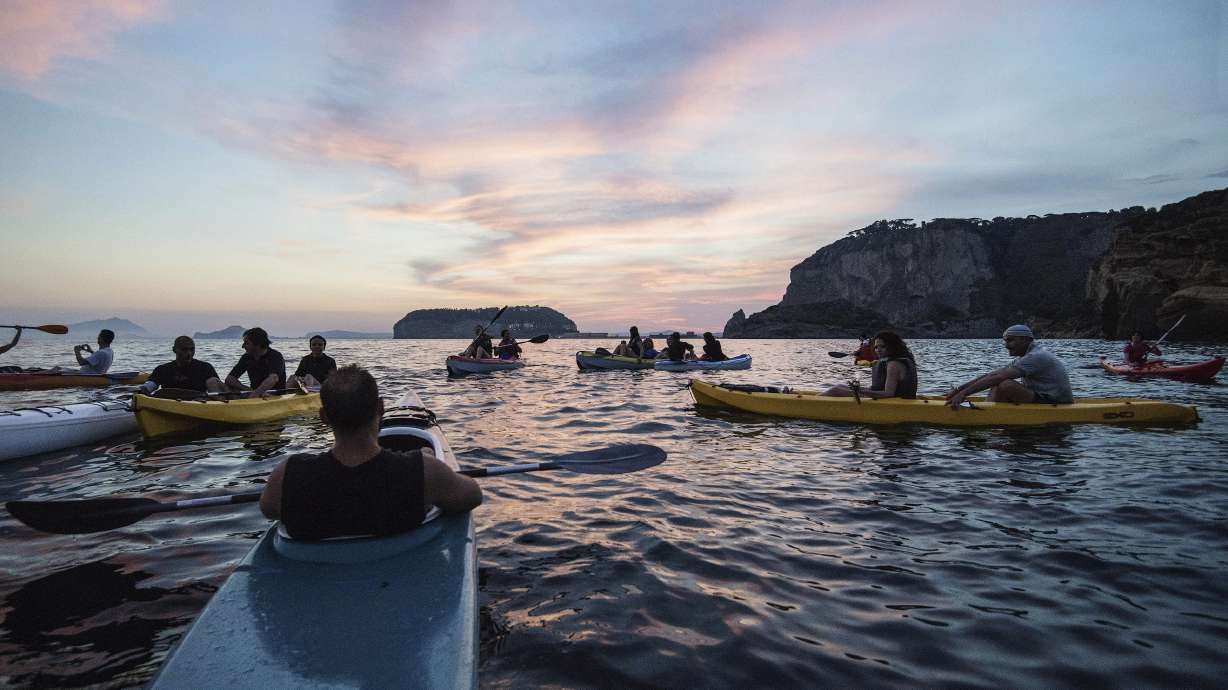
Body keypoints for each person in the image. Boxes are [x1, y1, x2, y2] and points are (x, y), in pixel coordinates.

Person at [259, 365, 483, 541]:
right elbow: (473, 495)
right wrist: (428, 461)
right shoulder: (424, 471)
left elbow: (268, 509)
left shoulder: (288, 474)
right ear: (381, 408)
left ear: (324, 417)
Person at [946, 324, 1072, 408]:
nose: (1006, 345)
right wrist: (959, 390)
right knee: (996, 381)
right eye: (1005, 341)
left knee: (1005, 384)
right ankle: (987, 408)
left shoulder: (1036, 356)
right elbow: (992, 375)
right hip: (1044, 397)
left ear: (1024, 339)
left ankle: (987, 413)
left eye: (1010, 340)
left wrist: (964, 394)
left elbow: (998, 377)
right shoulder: (1026, 357)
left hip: (1057, 402)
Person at [824, 331, 918, 399]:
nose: (878, 350)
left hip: (893, 402)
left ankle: (811, 406)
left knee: (835, 390)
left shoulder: (894, 364)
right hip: (893, 399)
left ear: (893, 346)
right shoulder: (900, 360)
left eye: (883, 346)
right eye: (876, 347)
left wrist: (859, 390)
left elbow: (888, 394)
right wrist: (858, 389)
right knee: (839, 386)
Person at [137, 336, 224, 395]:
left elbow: (217, 392)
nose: (189, 353)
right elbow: (149, 387)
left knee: (213, 381)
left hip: (198, 405)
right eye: (184, 350)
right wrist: (140, 392)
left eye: (192, 349)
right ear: (174, 350)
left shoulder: (205, 368)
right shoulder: (162, 369)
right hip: (170, 405)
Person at [225, 327, 286, 397]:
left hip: (274, 396)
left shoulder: (275, 356)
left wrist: (255, 394)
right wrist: (251, 391)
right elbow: (229, 379)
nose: (243, 346)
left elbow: (273, 378)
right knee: (219, 384)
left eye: (247, 343)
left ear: (258, 344)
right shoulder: (246, 357)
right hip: (255, 394)